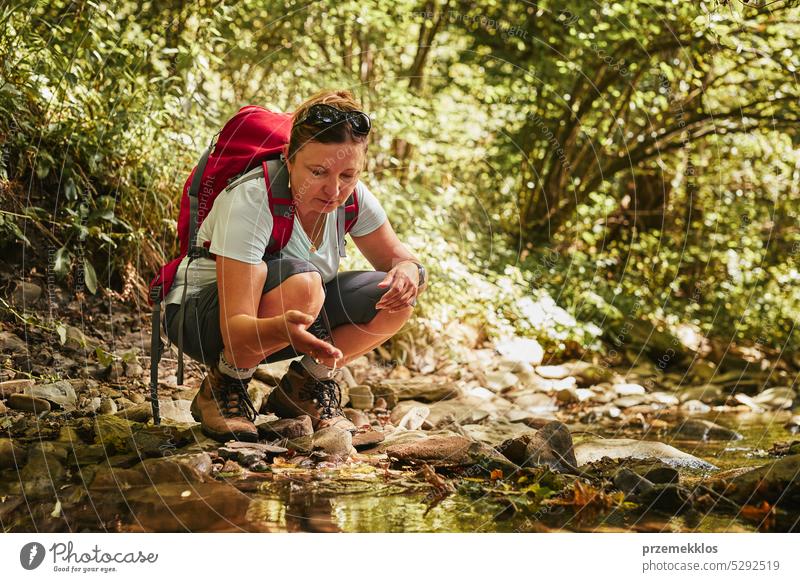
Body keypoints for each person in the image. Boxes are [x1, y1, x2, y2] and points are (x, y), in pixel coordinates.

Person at [163, 89, 427, 443]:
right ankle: (225, 384)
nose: (334, 189)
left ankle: (303, 389)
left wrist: (409, 271)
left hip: (294, 316)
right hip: (200, 318)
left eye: (348, 175)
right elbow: (236, 327)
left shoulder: (354, 198)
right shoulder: (253, 198)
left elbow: (400, 258)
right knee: (304, 285)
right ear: (288, 158)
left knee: (396, 297)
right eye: (318, 171)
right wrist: (283, 330)